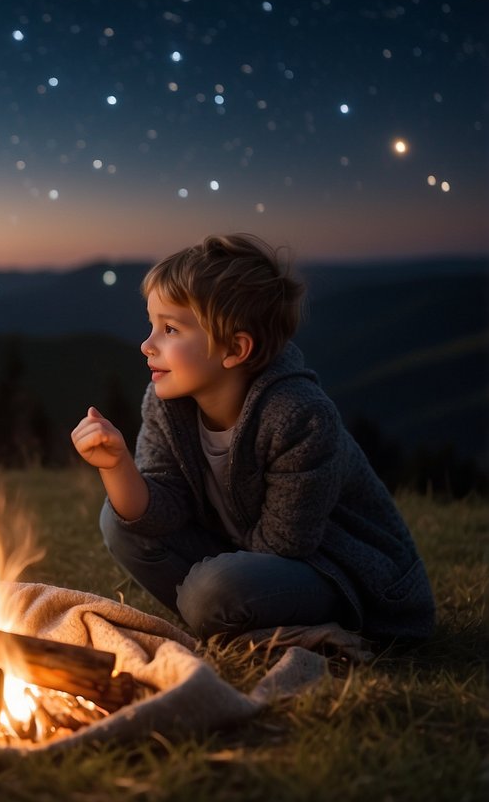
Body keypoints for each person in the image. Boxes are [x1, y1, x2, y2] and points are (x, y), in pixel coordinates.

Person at [71, 234, 434, 642]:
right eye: (152, 325)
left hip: (338, 576)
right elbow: (164, 504)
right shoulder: (165, 404)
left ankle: (266, 622)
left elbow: (285, 543)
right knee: (120, 524)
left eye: (170, 329)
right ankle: (227, 619)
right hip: (246, 561)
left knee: (211, 590)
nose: (146, 344)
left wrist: (219, 576)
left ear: (235, 349)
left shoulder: (298, 416)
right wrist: (117, 465)